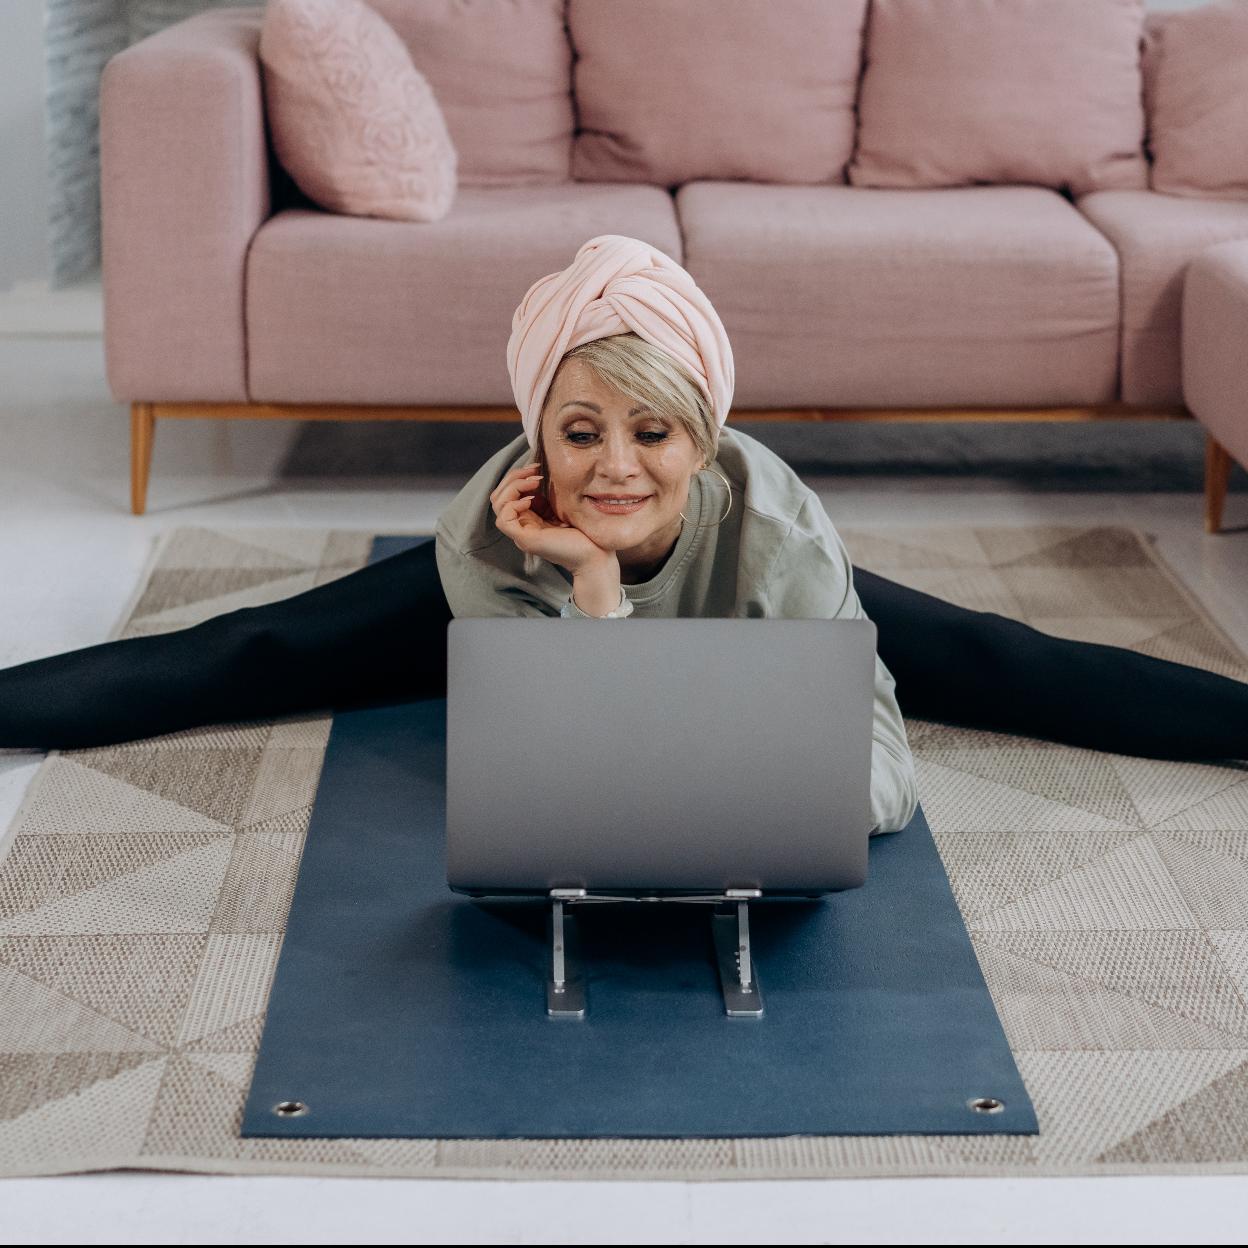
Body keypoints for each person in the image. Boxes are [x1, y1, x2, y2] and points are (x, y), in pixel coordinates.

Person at [2, 235, 1245, 826]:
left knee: (997, 660)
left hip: (741, 588)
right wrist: (589, 579)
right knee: (256, 652)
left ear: (706, 440)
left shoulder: (780, 535)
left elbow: (879, 785)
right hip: (517, 591)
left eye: (655, 432)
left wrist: (758, 765)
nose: (614, 469)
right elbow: (573, 766)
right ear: (535, 432)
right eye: (579, 429)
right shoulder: (494, 539)